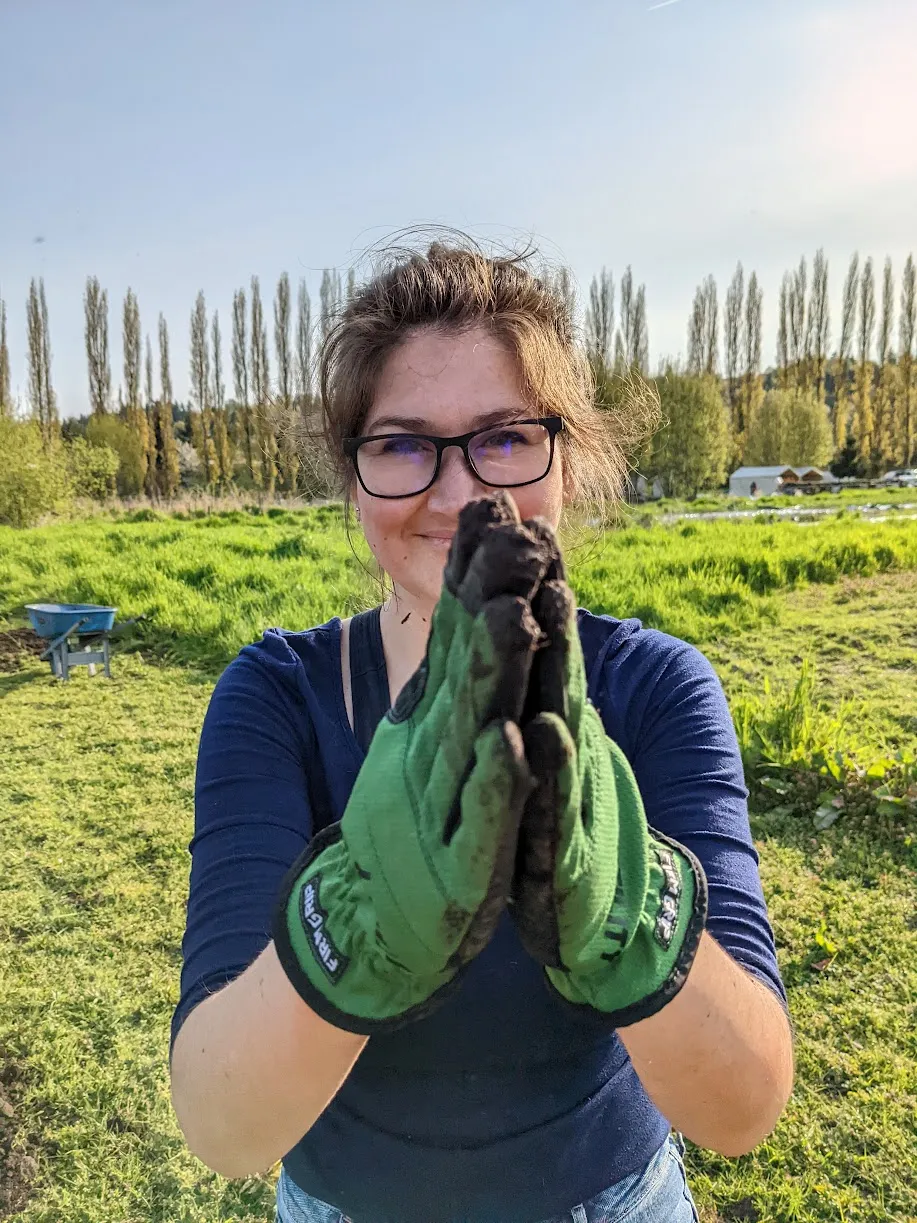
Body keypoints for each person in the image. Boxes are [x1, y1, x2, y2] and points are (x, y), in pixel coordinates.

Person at [170, 238, 794, 1223]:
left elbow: (744, 1108)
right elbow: (223, 1128)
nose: (460, 492)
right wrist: (357, 933)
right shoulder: (276, 696)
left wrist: (628, 914)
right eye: (402, 443)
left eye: (503, 436)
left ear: (565, 458)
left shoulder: (656, 687)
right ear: (352, 475)